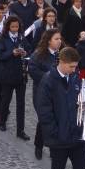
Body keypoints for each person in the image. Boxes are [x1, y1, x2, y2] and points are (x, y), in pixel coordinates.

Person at [35, 47, 85, 169]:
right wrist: (55, 134)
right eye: (71, 66)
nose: (74, 70)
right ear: (62, 62)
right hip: (59, 140)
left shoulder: (75, 78)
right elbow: (44, 112)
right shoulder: (48, 81)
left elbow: (81, 101)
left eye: (75, 67)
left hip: (77, 138)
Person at [0, 16, 31, 140]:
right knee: (6, 100)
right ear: (8, 26)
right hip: (7, 74)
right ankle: (2, 121)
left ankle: (21, 130)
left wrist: (25, 53)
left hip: (21, 75)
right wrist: (11, 53)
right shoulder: (2, 38)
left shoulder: (21, 37)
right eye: (13, 26)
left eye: (17, 26)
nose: (15, 29)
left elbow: (29, 49)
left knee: (21, 103)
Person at [29, 29, 62, 160]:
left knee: (56, 119)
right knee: (44, 119)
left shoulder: (62, 54)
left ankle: (54, 146)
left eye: (60, 39)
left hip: (58, 93)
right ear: (49, 41)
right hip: (42, 93)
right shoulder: (39, 54)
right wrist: (49, 78)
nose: (59, 42)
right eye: (56, 39)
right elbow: (32, 69)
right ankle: (39, 145)